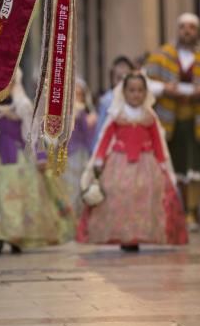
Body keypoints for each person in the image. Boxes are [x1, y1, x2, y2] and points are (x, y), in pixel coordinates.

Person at [77, 71, 187, 250]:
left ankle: (138, 234)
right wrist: (98, 159)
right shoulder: (117, 115)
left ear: (146, 93)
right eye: (132, 90)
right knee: (119, 195)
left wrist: (162, 163)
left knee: (145, 196)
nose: (136, 94)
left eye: (140, 90)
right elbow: (105, 138)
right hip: (119, 163)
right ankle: (123, 234)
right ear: (124, 92)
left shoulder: (149, 117)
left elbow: (158, 142)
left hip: (146, 163)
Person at [0, 70, 69, 254]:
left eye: (9, 81)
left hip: (19, 161)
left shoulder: (23, 106)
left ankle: (16, 236)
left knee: (17, 199)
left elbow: (33, 135)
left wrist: (40, 157)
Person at [145, 13, 200, 231]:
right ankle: (177, 210)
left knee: (196, 168)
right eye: (183, 27)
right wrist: (165, 88)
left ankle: (192, 212)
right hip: (169, 123)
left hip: (197, 122)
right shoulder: (161, 56)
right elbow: (143, 81)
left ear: (197, 31)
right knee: (175, 167)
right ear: (177, 29)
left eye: (191, 28)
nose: (187, 31)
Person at [65, 78, 98, 218]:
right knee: (68, 188)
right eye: (75, 93)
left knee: (80, 187)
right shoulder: (66, 112)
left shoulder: (86, 114)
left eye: (80, 94)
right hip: (66, 154)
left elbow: (89, 137)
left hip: (80, 155)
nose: (77, 96)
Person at [92, 56, 136, 146]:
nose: (122, 83)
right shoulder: (107, 100)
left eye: (125, 79)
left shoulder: (136, 98)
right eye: (119, 78)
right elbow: (100, 129)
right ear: (112, 78)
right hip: (113, 148)